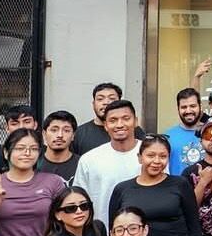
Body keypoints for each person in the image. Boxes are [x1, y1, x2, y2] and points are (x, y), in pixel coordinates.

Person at [109, 134, 204, 236]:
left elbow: (194, 226)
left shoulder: (180, 184)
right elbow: (113, 231)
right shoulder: (122, 189)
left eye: (163, 156)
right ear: (140, 157)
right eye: (150, 155)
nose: (157, 161)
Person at [73, 100, 143, 228]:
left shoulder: (151, 155)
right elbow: (79, 201)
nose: (120, 124)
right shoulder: (89, 159)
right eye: (113, 120)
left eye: (126, 118)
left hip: (144, 235)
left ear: (136, 121)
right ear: (105, 125)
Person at [73, 83, 145, 155]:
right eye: (100, 99)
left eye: (112, 98)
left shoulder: (133, 130)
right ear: (93, 104)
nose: (106, 102)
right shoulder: (79, 133)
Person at [0, 105, 39, 173]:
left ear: (35, 125)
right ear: (7, 128)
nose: (21, 127)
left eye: (27, 122)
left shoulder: (46, 155)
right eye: (15, 123)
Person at [165, 88, 205, 176]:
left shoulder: (210, 133)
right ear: (178, 109)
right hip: (177, 189)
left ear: (200, 107)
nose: (188, 111)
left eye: (193, 106)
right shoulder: (168, 136)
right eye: (184, 107)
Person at [39, 111, 80, 184]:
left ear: (73, 135)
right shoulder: (34, 163)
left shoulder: (82, 164)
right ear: (44, 134)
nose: (60, 135)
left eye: (66, 130)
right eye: (54, 130)